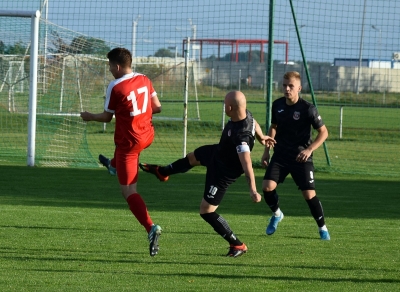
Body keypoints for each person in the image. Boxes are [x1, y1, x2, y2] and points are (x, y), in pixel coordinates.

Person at [139, 91, 276, 257]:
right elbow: (254, 122)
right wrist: (262, 138)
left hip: (223, 173)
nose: (224, 107)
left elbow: (247, 164)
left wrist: (253, 190)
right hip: (217, 153)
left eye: (225, 105)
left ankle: (237, 245)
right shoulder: (245, 114)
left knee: (206, 210)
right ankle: (162, 172)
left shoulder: (242, 137)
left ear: (231, 108)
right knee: (192, 157)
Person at [80, 47, 163, 256]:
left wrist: (89, 116)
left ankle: (151, 228)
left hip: (130, 145)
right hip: (147, 136)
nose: (109, 70)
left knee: (128, 192)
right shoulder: (145, 78)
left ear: (117, 66)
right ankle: (113, 165)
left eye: (110, 66)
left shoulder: (115, 86)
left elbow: (107, 118)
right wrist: (138, 113)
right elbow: (158, 107)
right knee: (121, 139)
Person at [261, 71, 330, 240]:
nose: (287, 89)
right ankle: (277, 214)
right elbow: (274, 126)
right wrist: (266, 151)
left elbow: (324, 132)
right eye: (284, 85)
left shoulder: (308, 109)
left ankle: (322, 228)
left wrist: (309, 150)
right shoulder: (277, 105)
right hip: (281, 156)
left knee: (309, 195)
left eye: (291, 86)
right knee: (267, 187)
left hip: (302, 158)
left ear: (299, 88)